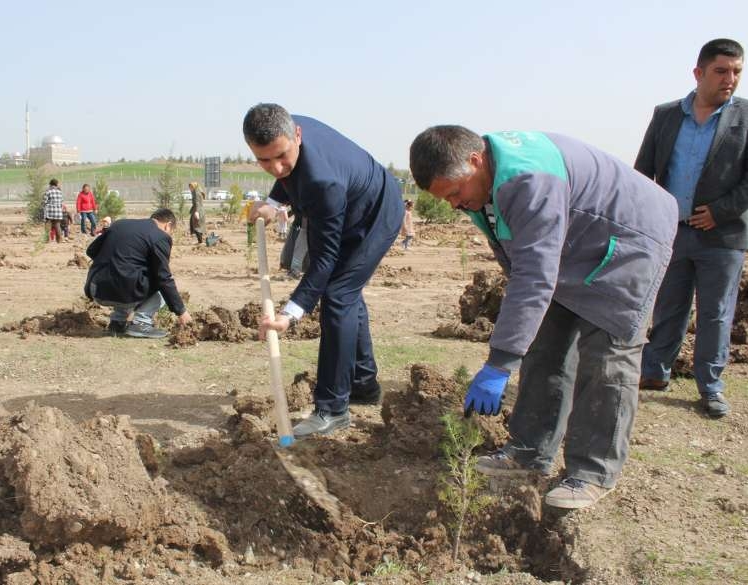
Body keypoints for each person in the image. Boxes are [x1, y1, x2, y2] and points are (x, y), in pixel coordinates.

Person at [409, 125, 677, 509]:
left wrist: (500, 362)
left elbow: (534, 274)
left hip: (629, 240)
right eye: (445, 198)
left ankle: (593, 471)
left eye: (454, 193)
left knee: (607, 356)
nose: (453, 204)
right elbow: (519, 259)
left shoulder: (528, 179)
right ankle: (530, 450)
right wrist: (515, 342)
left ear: (475, 159)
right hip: (575, 243)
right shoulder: (482, 184)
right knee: (544, 344)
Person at [243, 103, 404, 437]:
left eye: (281, 155)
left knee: (338, 296)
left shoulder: (322, 182)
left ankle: (332, 409)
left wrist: (290, 313)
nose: (275, 168)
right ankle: (362, 383)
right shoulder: (285, 128)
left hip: (376, 214)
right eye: (263, 160)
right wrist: (273, 204)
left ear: (296, 135)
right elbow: (288, 173)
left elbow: (324, 261)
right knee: (345, 294)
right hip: (348, 203)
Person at [635, 38, 747, 419]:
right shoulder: (666, 115)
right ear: (698, 73)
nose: (729, 79)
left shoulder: (745, 117)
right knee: (669, 305)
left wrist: (719, 211)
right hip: (672, 231)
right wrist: (647, 220)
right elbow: (644, 173)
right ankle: (654, 371)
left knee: (715, 313)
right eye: (721, 71)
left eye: (736, 72)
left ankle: (711, 387)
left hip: (722, 235)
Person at [84, 208, 192, 338]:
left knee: (127, 272)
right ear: (168, 225)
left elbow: (91, 251)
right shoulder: (160, 236)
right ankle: (141, 323)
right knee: (160, 280)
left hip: (96, 288)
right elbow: (163, 278)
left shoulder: (119, 224)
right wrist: (181, 312)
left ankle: (117, 322)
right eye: (171, 232)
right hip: (124, 291)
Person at [43, 179, 64, 243]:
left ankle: (47, 240)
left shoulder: (48, 191)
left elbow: (44, 201)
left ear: (50, 184)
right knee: (57, 225)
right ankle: (59, 240)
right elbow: (61, 201)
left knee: (48, 225)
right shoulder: (60, 192)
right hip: (58, 212)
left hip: (50, 211)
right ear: (56, 184)